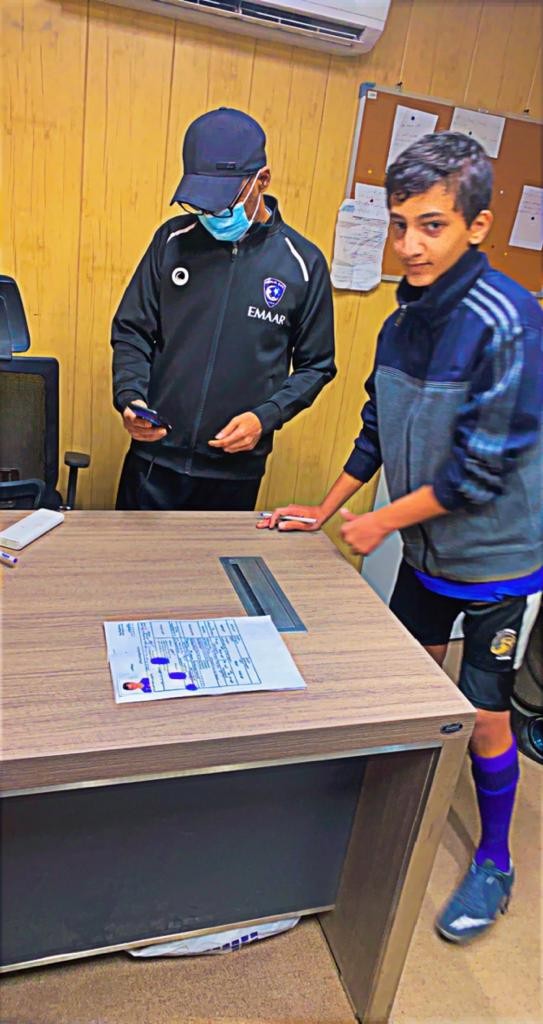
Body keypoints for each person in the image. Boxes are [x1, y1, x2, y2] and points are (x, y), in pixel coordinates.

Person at [260, 132, 542, 944]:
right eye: (398, 224)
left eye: (432, 225)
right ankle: (380, 813)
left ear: (477, 227)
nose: (409, 245)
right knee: (408, 685)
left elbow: (477, 474)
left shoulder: (509, 322)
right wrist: (325, 509)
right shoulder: (402, 319)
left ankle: (494, 859)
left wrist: (380, 520)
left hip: (496, 566)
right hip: (425, 553)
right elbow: (377, 428)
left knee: (482, 716)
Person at [111, 107, 336, 511]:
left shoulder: (303, 263)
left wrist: (266, 416)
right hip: (154, 461)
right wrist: (130, 398)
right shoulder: (172, 241)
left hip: (234, 472)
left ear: (261, 180)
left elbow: (316, 365)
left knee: (217, 557)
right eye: (202, 203)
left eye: (222, 203)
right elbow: (133, 331)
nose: (211, 216)